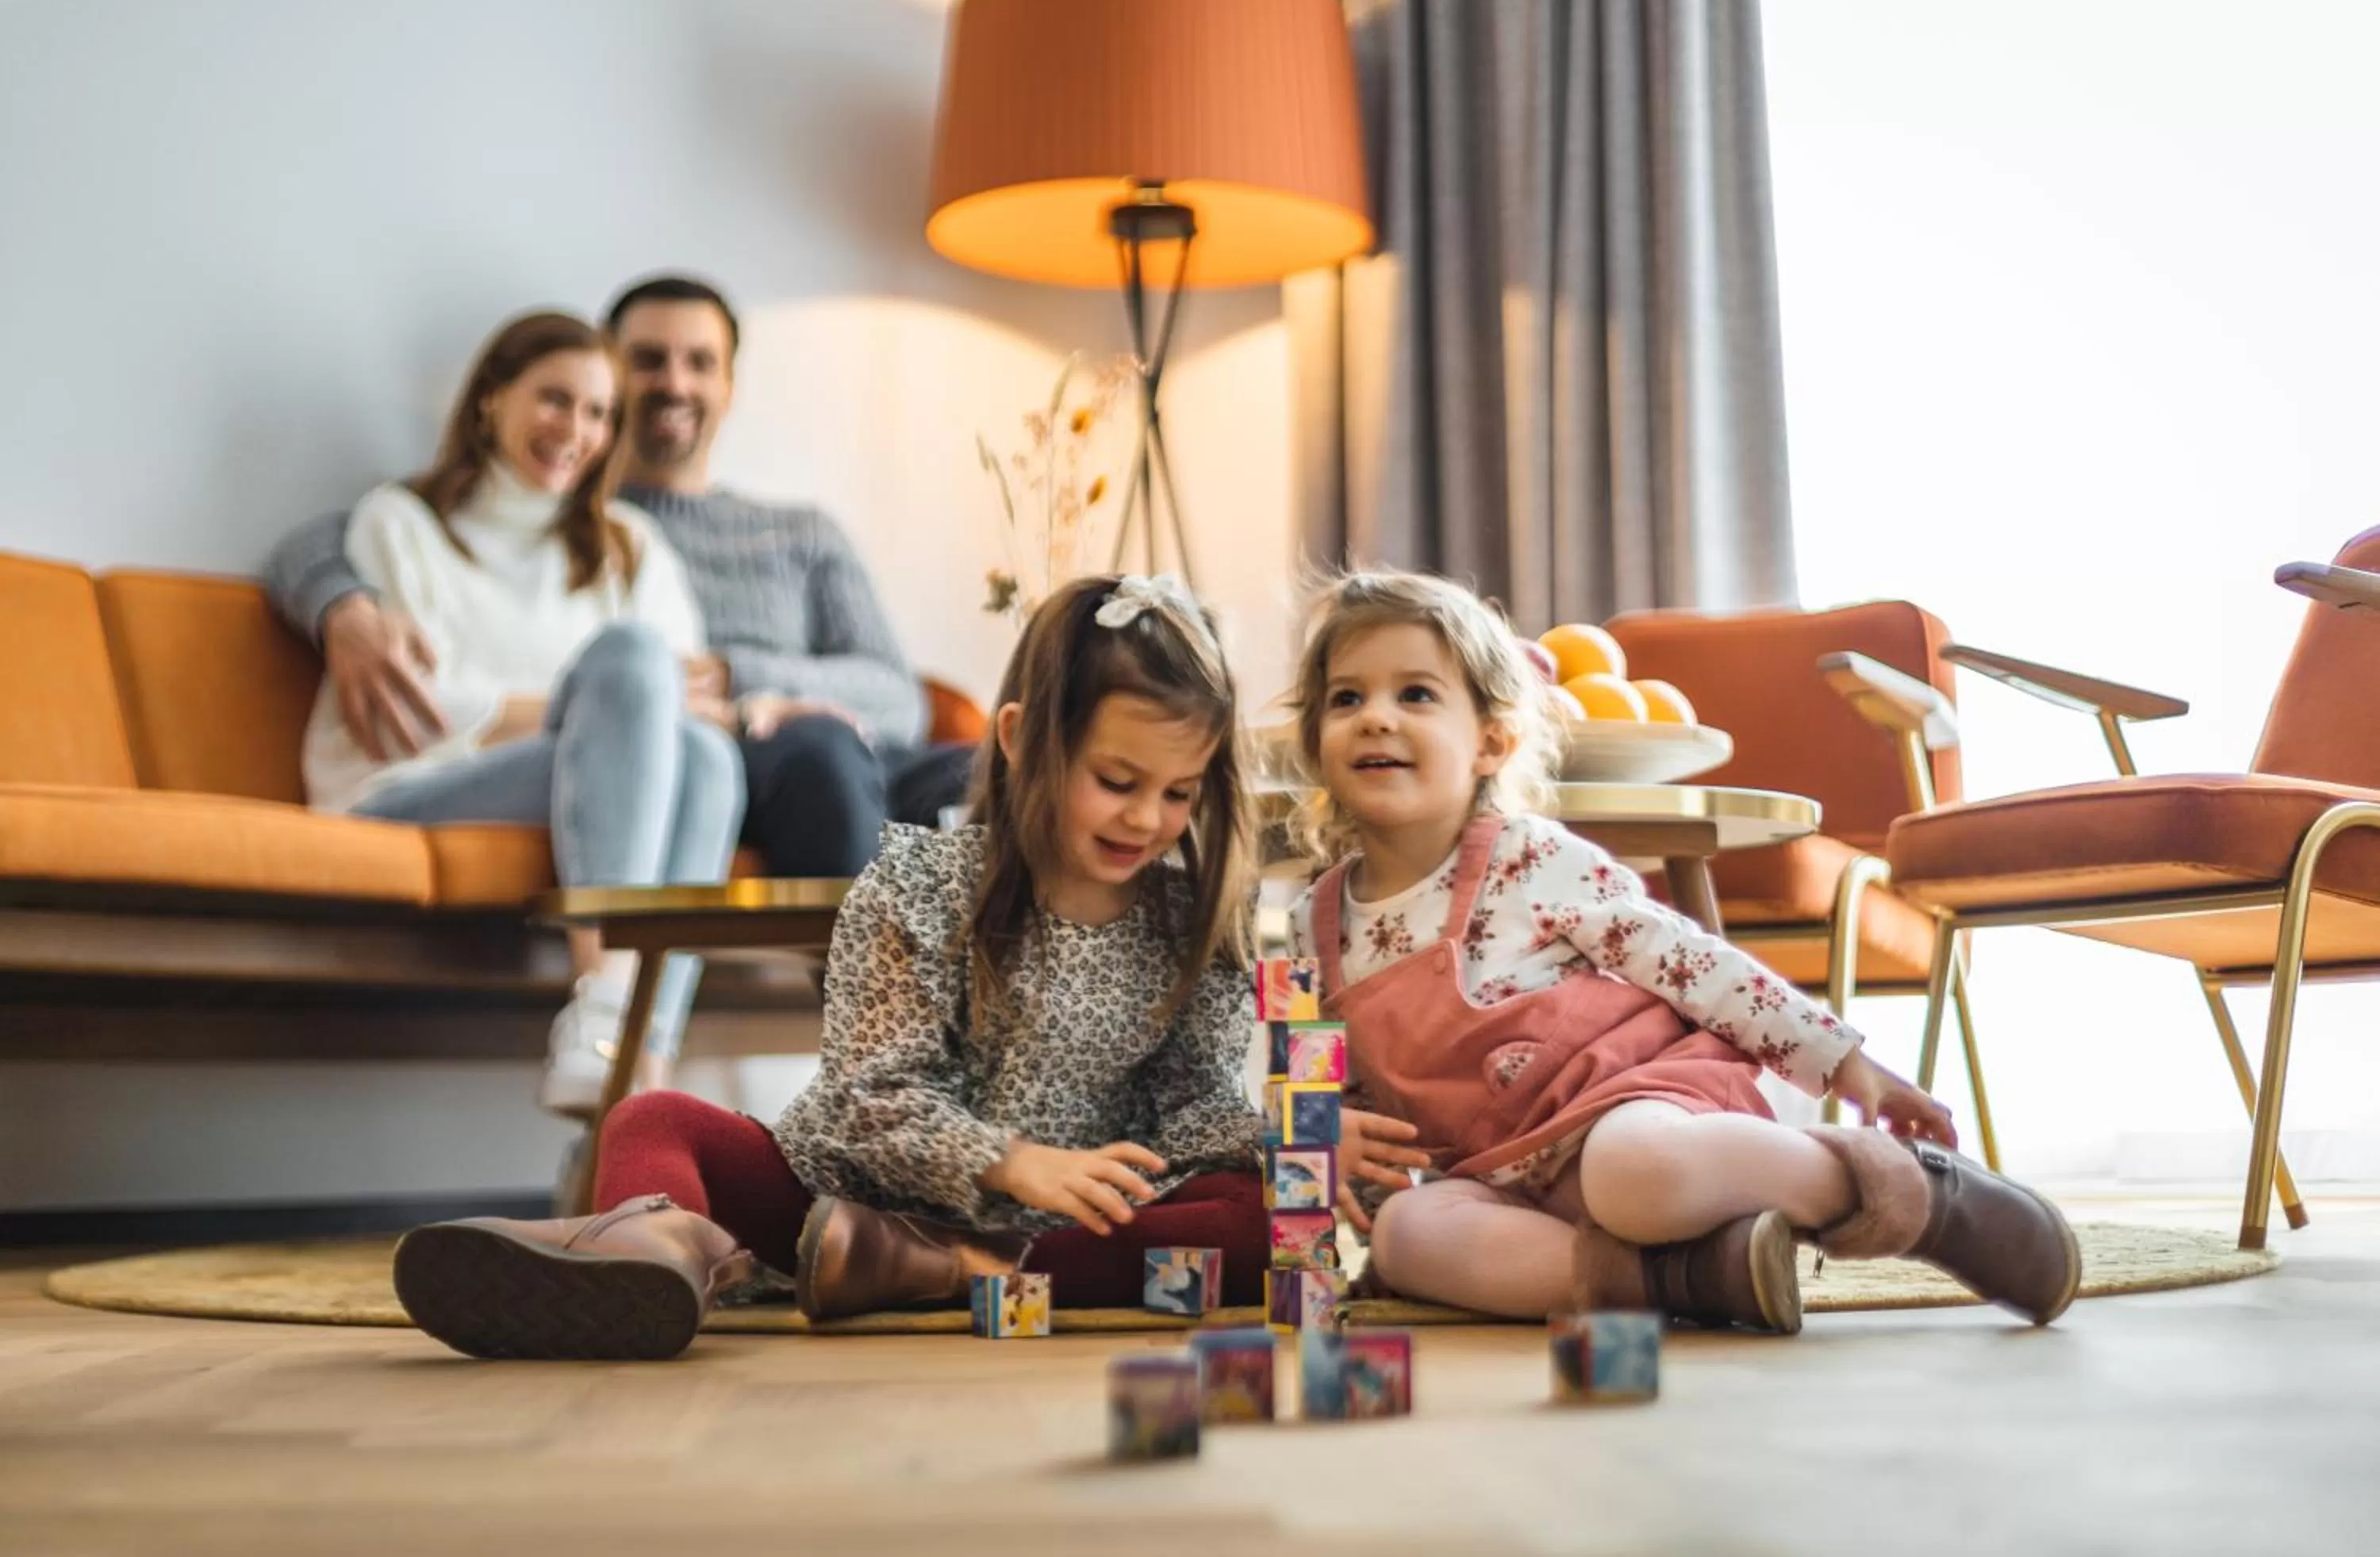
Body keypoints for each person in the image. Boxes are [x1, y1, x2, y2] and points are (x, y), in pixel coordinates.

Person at [388, 574, 1269, 1361]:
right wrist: (1009, 1161)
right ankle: (658, 1252)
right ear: (1022, 738)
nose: (1149, 817)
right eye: (1118, 780)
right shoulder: (918, 886)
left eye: (1179, 790)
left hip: (1061, 1227)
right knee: (654, 1117)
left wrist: (1274, 1145)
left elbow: (1191, 1108)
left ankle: (949, 1269)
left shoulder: (1186, 917)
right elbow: (870, 1100)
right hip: (839, 1212)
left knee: (1255, 1215)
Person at [1288, 569, 2082, 1333]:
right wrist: (1332, 1186)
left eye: (1415, 693)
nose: (1376, 716)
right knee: (1409, 1234)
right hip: (1494, 1175)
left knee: (1633, 1178)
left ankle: (1906, 1189)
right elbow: (1324, 1094)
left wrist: (1843, 1062)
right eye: (1346, 697)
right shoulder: (1305, 924)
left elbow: (1695, 965)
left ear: (1491, 741)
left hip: (1639, 1109)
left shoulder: (1530, 855)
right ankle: (1698, 1276)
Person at [267, 274, 971, 880]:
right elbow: (330, 539)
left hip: (805, 734)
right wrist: (341, 606)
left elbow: (898, 699)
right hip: (756, 759)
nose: (674, 383)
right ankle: (865, 1026)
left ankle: (1017, 1032)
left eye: (700, 362)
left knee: (999, 775)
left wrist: (743, 681)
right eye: (648, 361)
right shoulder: (575, 524)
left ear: (730, 385)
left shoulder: (792, 533)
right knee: (795, 757)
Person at [300, 310, 743, 1117]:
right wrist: (600, 714)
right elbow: (422, 710)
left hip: (561, 780)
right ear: (490, 400)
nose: (576, 429)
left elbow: (691, 707)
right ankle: (610, 1005)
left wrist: (618, 718)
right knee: (630, 663)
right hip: (406, 787)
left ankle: (633, 1069)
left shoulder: (630, 544)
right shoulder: (399, 522)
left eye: (600, 413)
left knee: (710, 756)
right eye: (554, 399)